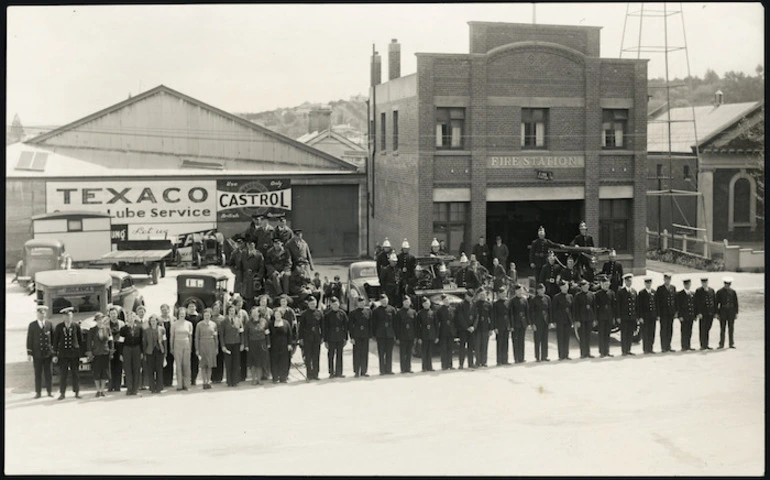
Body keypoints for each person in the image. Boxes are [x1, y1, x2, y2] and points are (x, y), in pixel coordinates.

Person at [52, 307, 82, 400]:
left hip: (74, 354)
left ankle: (76, 392)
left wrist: (80, 354)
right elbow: (55, 342)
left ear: (72, 316)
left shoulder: (76, 326)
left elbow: (80, 340)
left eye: (69, 315)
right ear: (63, 317)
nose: (68, 317)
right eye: (66, 316)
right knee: (63, 374)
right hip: (63, 354)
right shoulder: (59, 327)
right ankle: (62, 393)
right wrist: (54, 355)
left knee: (75, 374)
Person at [27, 305, 54, 399]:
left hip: (47, 354)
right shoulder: (32, 325)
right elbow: (29, 339)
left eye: (43, 314)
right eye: (40, 314)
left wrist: (53, 353)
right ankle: (38, 392)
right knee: (38, 374)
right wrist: (29, 353)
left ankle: (49, 391)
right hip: (37, 354)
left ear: (45, 314)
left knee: (48, 374)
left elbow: (53, 339)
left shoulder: (49, 324)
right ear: (37, 314)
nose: (41, 315)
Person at [87, 313, 114, 398]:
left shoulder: (107, 329)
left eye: (101, 319)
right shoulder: (92, 330)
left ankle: (102, 390)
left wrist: (111, 350)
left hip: (105, 353)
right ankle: (98, 390)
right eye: (98, 319)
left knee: (104, 373)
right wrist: (90, 352)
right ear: (96, 321)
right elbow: (88, 342)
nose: (100, 321)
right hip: (96, 353)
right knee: (97, 373)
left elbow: (111, 341)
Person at [298, 296, 323, 380]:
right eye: (311, 304)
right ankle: (309, 375)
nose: (313, 305)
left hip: (316, 338)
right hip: (307, 338)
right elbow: (301, 327)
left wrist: (322, 337)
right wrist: (301, 338)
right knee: (308, 357)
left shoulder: (319, 313)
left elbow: (322, 326)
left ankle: (316, 374)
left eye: (314, 304)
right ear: (308, 304)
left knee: (316, 356)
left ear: (316, 304)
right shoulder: (304, 314)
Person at [322, 297, 348, 378]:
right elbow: (325, 328)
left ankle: (339, 372)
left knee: (339, 355)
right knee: (331, 355)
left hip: (340, 337)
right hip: (331, 337)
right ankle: (331, 372)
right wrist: (325, 340)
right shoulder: (327, 315)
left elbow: (346, 326)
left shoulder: (342, 314)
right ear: (331, 305)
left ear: (339, 304)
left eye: (336, 304)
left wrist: (346, 338)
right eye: (333, 304)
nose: (335, 306)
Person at [119, 311, 143, 395]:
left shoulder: (139, 328)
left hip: (137, 349)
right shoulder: (123, 329)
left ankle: (135, 389)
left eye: (132, 317)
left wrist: (142, 352)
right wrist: (121, 353)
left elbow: (141, 341)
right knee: (128, 369)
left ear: (135, 318)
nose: (131, 319)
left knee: (136, 369)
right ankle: (129, 388)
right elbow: (121, 342)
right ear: (127, 319)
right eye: (129, 317)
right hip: (127, 349)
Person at [372, 293, 397, 375]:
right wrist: (374, 335)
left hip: (390, 334)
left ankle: (389, 370)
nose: (384, 302)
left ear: (388, 300)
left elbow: (395, 323)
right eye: (382, 301)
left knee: (389, 353)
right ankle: (382, 370)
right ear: (380, 301)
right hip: (380, 334)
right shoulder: (376, 311)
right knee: (381, 353)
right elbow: (374, 323)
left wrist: (395, 334)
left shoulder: (392, 309)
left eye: (385, 300)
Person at [220, 304, 244, 387]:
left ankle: (235, 381)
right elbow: (221, 335)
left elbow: (241, 333)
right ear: (228, 312)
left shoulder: (238, 320)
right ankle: (229, 381)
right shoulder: (224, 321)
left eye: (233, 311)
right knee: (228, 363)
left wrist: (242, 343)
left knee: (236, 362)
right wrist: (223, 346)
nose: (231, 312)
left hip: (236, 344)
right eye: (230, 311)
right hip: (228, 344)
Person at [348, 296, 373, 378]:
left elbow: (370, 324)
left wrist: (370, 335)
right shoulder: (352, 313)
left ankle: (364, 371)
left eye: (362, 303)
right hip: (357, 336)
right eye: (360, 303)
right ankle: (356, 371)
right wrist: (351, 337)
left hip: (365, 335)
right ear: (357, 303)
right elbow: (350, 326)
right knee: (356, 353)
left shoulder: (368, 312)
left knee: (364, 353)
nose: (361, 304)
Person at [195, 308, 219, 389]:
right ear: (203, 316)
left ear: (210, 315)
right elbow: (196, 338)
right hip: (202, 345)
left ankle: (208, 381)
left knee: (210, 365)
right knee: (203, 365)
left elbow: (216, 337)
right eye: (205, 315)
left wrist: (216, 347)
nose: (207, 317)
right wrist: (197, 349)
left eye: (208, 315)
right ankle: (204, 382)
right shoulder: (199, 325)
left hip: (211, 345)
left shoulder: (214, 324)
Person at [141, 314, 166, 394]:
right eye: (151, 321)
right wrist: (144, 353)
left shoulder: (162, 329)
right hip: (150, 351)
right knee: (150, 370)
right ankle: (152, 387)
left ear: (157, 321)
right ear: (150, 322)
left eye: (154, 321)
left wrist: (165, 351)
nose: (153, 322)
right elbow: (144, 342)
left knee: (159, 369)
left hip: (159, 351)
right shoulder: (146, 330)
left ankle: (159, 387)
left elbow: (164, 341)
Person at [170, 307, 193, 391]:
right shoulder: (174, 324)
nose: (182, 315)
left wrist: (190, 347)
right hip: (177, 344)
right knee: (178, 365)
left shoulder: (189, 324)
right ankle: (179, 384)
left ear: (185, 314)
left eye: (183, 313)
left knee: (186, 365)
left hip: (186, 344)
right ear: (178, 314)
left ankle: (186, 384)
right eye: (180, 313)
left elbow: (190, 336)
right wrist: (171, 347)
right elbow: (172, 336)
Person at [252, 295, 274, 381]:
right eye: (261, 301)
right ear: (259, 302)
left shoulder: (270, 311)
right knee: (259, 356)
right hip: (258, 334)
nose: (263, 303)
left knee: (266, 356)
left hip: (267, 334)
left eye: (264, 301)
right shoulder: (255, 310)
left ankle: (266, 373)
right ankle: (259, 374)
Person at [269, 309, 294, 383]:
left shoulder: (286, 323)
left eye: (278, 314)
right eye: (276, 314)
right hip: (274, 345)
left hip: (284, 344)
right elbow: (268, 335)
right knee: (274, 361)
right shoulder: (271, 324)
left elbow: (289, 334)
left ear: (281, 315)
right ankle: (275, 377)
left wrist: (289, 344)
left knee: (284, 361)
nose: (277, 316)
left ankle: (283, 377)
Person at [573, 280, 597, 359]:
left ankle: (588, 353)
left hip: (589, 318)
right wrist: (577, 320)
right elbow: (575, 309)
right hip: (581, 319)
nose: (585, 287)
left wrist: (594, 319)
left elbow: (594, 308)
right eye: (584, 286)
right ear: (581, 287)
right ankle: (583, 353)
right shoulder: (578, 296)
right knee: (582, 336)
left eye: (587, 286)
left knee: (588, 336)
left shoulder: (592, 295)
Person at [616, 273, 638, 356]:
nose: (629, 282)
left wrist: (636, 316)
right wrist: (618, 316)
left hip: (632, 316)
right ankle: (624, 350)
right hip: (624, 316)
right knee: (624, 333)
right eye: (628, 281)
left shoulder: (634, 291)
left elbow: (636, 305)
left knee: (630, 333)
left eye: (630, 281)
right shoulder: (621, 292)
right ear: (625, 281)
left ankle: (628, 349)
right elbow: (618, 305)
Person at [529, 283, 551, 362]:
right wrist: (532, 323)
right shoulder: (534, 299)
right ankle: (537, 357)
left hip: (545, 321)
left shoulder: (547, 298)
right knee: (537, 340)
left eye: (542, 289)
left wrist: (550, 322)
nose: (541, 291)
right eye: (539, 289)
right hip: (537, 322)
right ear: (537, 290)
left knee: (545, 340)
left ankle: (544, 356)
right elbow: (531, 312)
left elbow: (549, 311)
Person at [655, 274, 678, 353]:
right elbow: (657, 302)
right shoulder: (660, 289)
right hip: (663, 313)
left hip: (671, 312)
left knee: (670, 329)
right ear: (664, 279)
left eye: (669, 279)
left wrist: (675, 312)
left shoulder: (673, 288)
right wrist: (658, 314)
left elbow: (675, 300)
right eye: (666, 279)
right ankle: (664, 347)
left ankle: (669, 346)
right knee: (664, 330)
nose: (667, 281)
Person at [594, 275, 616, 358]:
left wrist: (614, 317)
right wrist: (596, 318)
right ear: (601, 284)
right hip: (601, 317)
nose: (606, 286)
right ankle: (601, 352)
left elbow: (614, 306)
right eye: (604, 284)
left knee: (607, 334)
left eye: (607, 284)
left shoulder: (612, 293)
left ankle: (607, 351)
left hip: (609, 317)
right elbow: (595, 307)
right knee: (601, 335)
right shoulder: (598, 294)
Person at [552, 281, 574, 360]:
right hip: (560, 319)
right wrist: (554, 321)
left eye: (567, 286)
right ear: (561, 288)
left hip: (568, 319)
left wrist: (572, 320)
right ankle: (561, 355)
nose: (566, 288)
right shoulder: (556, 297)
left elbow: (572, 309)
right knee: (560, 337)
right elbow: (554, 309)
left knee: (567, 337)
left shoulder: (570, 296)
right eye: (564, 287)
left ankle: (566, 354)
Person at [395, 296, 417, 374]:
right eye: (405, 302)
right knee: (402, 353)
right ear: (403, 303)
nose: (407, 303)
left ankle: (408, 368)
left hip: (411, 335)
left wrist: (415, 336)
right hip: (402, 336)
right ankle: (403, 369)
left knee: (409, 353)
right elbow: (397, 326)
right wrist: (397, 337)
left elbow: (415, 325)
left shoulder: (413, 312)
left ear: (410, 303)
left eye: (408, 302)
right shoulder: (399, 313)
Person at [241, 241, 266, 309]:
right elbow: (239, 266)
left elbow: (262, 267)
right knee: (244, 296)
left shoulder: (259, 255)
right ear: (247, 245)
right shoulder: (243, 253)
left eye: (252, 244)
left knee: (253, 297)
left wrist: (258, 276)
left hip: (254, 278)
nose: (251, 246)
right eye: (249, 244)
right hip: (245, 277)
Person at [454, 290, 475, 369]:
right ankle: (461, 364)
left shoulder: (473, 305)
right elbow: (460, 317)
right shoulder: (460, 305)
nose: (470, 298)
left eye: (471, 297)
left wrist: (473, 326)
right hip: (463, 329)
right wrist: (466, 327)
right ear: (466, 296)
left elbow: (476, 316)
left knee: (471, 347)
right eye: (469, 296)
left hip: (471, 329)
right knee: (462, 347)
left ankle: (471, 363)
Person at [715, 277, 738, 349]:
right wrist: (717, 313)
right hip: (723, 311)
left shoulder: (733, 292)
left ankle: (731, 343)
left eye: (728, 284)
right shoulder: (719, 292)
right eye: (726, 284)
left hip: (731, 311)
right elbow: (716, 303)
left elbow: (736, 303)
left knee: (731, 328)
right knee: (722, 328)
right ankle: (721, 344)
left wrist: (736, 313)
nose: (727, 285)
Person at [472, 290, 493, 367]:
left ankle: (484, 361)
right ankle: (477, 361)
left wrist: (491, 329)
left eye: (484, 295)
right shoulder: (475, 304)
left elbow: (491, 317)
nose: (482, 296)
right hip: (478, 328)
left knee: (485, 345)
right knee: (477, 346)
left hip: (485, 327)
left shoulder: (489, 305)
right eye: (481, 295)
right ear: (478, 296)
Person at [508, 285, 529, 363]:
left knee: (522, 340)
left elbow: (527, 312)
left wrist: (527, 323)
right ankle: (516, 358)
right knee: (515, 341)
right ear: (515, 291)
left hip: (523, 323)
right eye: (519, 291)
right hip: (515, 323)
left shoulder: (524, 300)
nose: (520, 292)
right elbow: (511, 314)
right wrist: (511, 325)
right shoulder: (512, 301)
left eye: (521, 290)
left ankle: (522, 358)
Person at [416, 297, 438, 372]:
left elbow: (436, 325)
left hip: (431, 334)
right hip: (423, 335)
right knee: (424, 351)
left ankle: (430, 367)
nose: (426, 305)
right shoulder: (419, 313)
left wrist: (436, 336)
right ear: (422, 305)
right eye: (425, 304)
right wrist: (419, 337)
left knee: (430, 351)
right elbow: (418, 326)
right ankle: (424, 367)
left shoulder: (433, 313)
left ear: (430, 304)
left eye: (428, 303)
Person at [106, 307, 125, 392]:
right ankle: (110, 385)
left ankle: (117, 386)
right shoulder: (106, 324)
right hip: (110, 347)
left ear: (117, 314)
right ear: (109, 315)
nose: (113, 315)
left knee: (119, 366)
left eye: (114, 313)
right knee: (110, 367)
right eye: (111, 314)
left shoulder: (121, 323)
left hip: (119, 346)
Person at [637, 278, 658, 354]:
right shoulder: (641, 293)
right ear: (645, 284)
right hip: (645, 316)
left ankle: (651, 348)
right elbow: (639, 306)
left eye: (649, 283)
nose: (648, 284)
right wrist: (640, 317)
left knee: (652, 332)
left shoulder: (654, 292)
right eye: (647, 283)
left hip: (652, 315)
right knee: (645, 332)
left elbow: (657, 304)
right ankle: (645, 349)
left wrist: (657, 315)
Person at [695, 277, 716, 350]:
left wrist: (715, 312)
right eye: (703, 282)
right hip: (703, 313)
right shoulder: (698, 291)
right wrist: (698, 313)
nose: (704, 284)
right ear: (701, 283)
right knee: (702, 329)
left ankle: (706, 344)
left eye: (706, 282)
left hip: (710, 313)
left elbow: (714, 301)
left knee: (708, 328)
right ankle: (703, 345)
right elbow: (697, 303)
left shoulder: (711, 290)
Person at [676, 279, 697, 352]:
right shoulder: (680, 294)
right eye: (686, 284)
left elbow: (694, 305)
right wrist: (680, 316)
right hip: (684, 316)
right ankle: (684, 346)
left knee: (689, 331)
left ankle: (688, 345)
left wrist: (694, 315)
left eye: (688, 284)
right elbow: (678, 306)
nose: (687, 285)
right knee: (684, 331)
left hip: (690, 315)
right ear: (684, 285)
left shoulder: (692, 293)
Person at [437, 294, 457, 370]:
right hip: (443, 332)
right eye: (445, 300)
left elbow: (454, 320)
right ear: (442, 301)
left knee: (450, 349)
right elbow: (438, 322)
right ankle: (444, 365)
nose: (447, 302)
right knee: (444, 349)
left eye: (448, 300)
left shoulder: (452, 309)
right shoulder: (439, 310)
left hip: (451, 332)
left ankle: (450, 365)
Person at [492, 286, 510, 365]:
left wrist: (510, 325)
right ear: (499, 294)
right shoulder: (496, 304)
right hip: (499, 325)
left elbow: (510, 314)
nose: (503, 295)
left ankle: (505, 360)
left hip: (506, 325)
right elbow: (494, 316)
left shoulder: (508, 302)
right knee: (499, 343)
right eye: (502, 294)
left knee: (506, 343)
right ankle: (499, 361)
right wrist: (495, 327)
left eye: (505, 293)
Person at [185, 303, 202, 386]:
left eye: (193, 306)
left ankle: (194, 378)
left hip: (197, 340)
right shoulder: (185, 317)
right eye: (190, 306)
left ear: (196, 307)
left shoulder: (199, 317)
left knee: (195, 361)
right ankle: (187, 378)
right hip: (187, 341)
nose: (191, 308)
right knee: (187, 360)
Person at [396, 239, 417, 305]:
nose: (405, 250)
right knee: (399, 292)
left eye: (406, 248)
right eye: (404, 248)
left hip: (409, 278)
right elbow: (397, 267)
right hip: (401, 277)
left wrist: (411, 279)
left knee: (409, 292)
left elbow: (413, 269)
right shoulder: (399, 256)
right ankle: (400, 304)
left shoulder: (412, 257)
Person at [209, 301, 225, 383]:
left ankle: (219, 377)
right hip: (212, 340)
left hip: (220, 339)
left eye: (218, 308)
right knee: (213, 359)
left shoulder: (223, 318)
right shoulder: (210, 318)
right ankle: (213, 377)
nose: (216, 310)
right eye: (215, 308)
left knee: (220, 359)